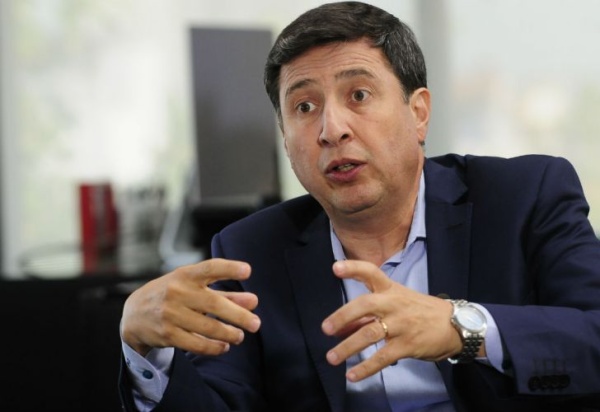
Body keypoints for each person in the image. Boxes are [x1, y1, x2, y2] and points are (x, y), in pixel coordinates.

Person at [118, 2, 600, 411]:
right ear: (285, 139)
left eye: (359, 95)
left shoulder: (524, 197)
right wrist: (145, 352)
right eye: (304, 108)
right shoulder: (249, 253)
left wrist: (461, 328)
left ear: (418, 113)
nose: (332, 129)